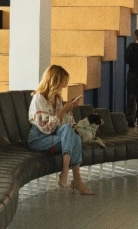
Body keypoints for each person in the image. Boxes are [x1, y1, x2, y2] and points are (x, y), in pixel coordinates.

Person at [28, 65, 93, 195]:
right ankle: (74, 178)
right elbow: (45, 127)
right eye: (61, 84)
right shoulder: (38, 98)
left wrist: (68, 111)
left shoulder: (56, 99)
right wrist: (62, 110)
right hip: (38, 138)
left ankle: (67, 175)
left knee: (72, 134)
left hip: (54, 136)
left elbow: (64, 127)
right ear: (54, 82)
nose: (62, 87)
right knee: (74, 138)